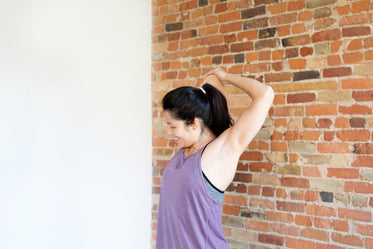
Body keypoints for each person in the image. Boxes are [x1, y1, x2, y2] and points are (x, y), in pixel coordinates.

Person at [155, 68, 274, 249]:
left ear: (194, 123)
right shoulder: (185, 151)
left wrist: (226, 77)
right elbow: (210, 80)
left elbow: (265, 94)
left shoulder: (221, 152)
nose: (169, 132)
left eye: (172, 126)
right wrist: (211, 80)